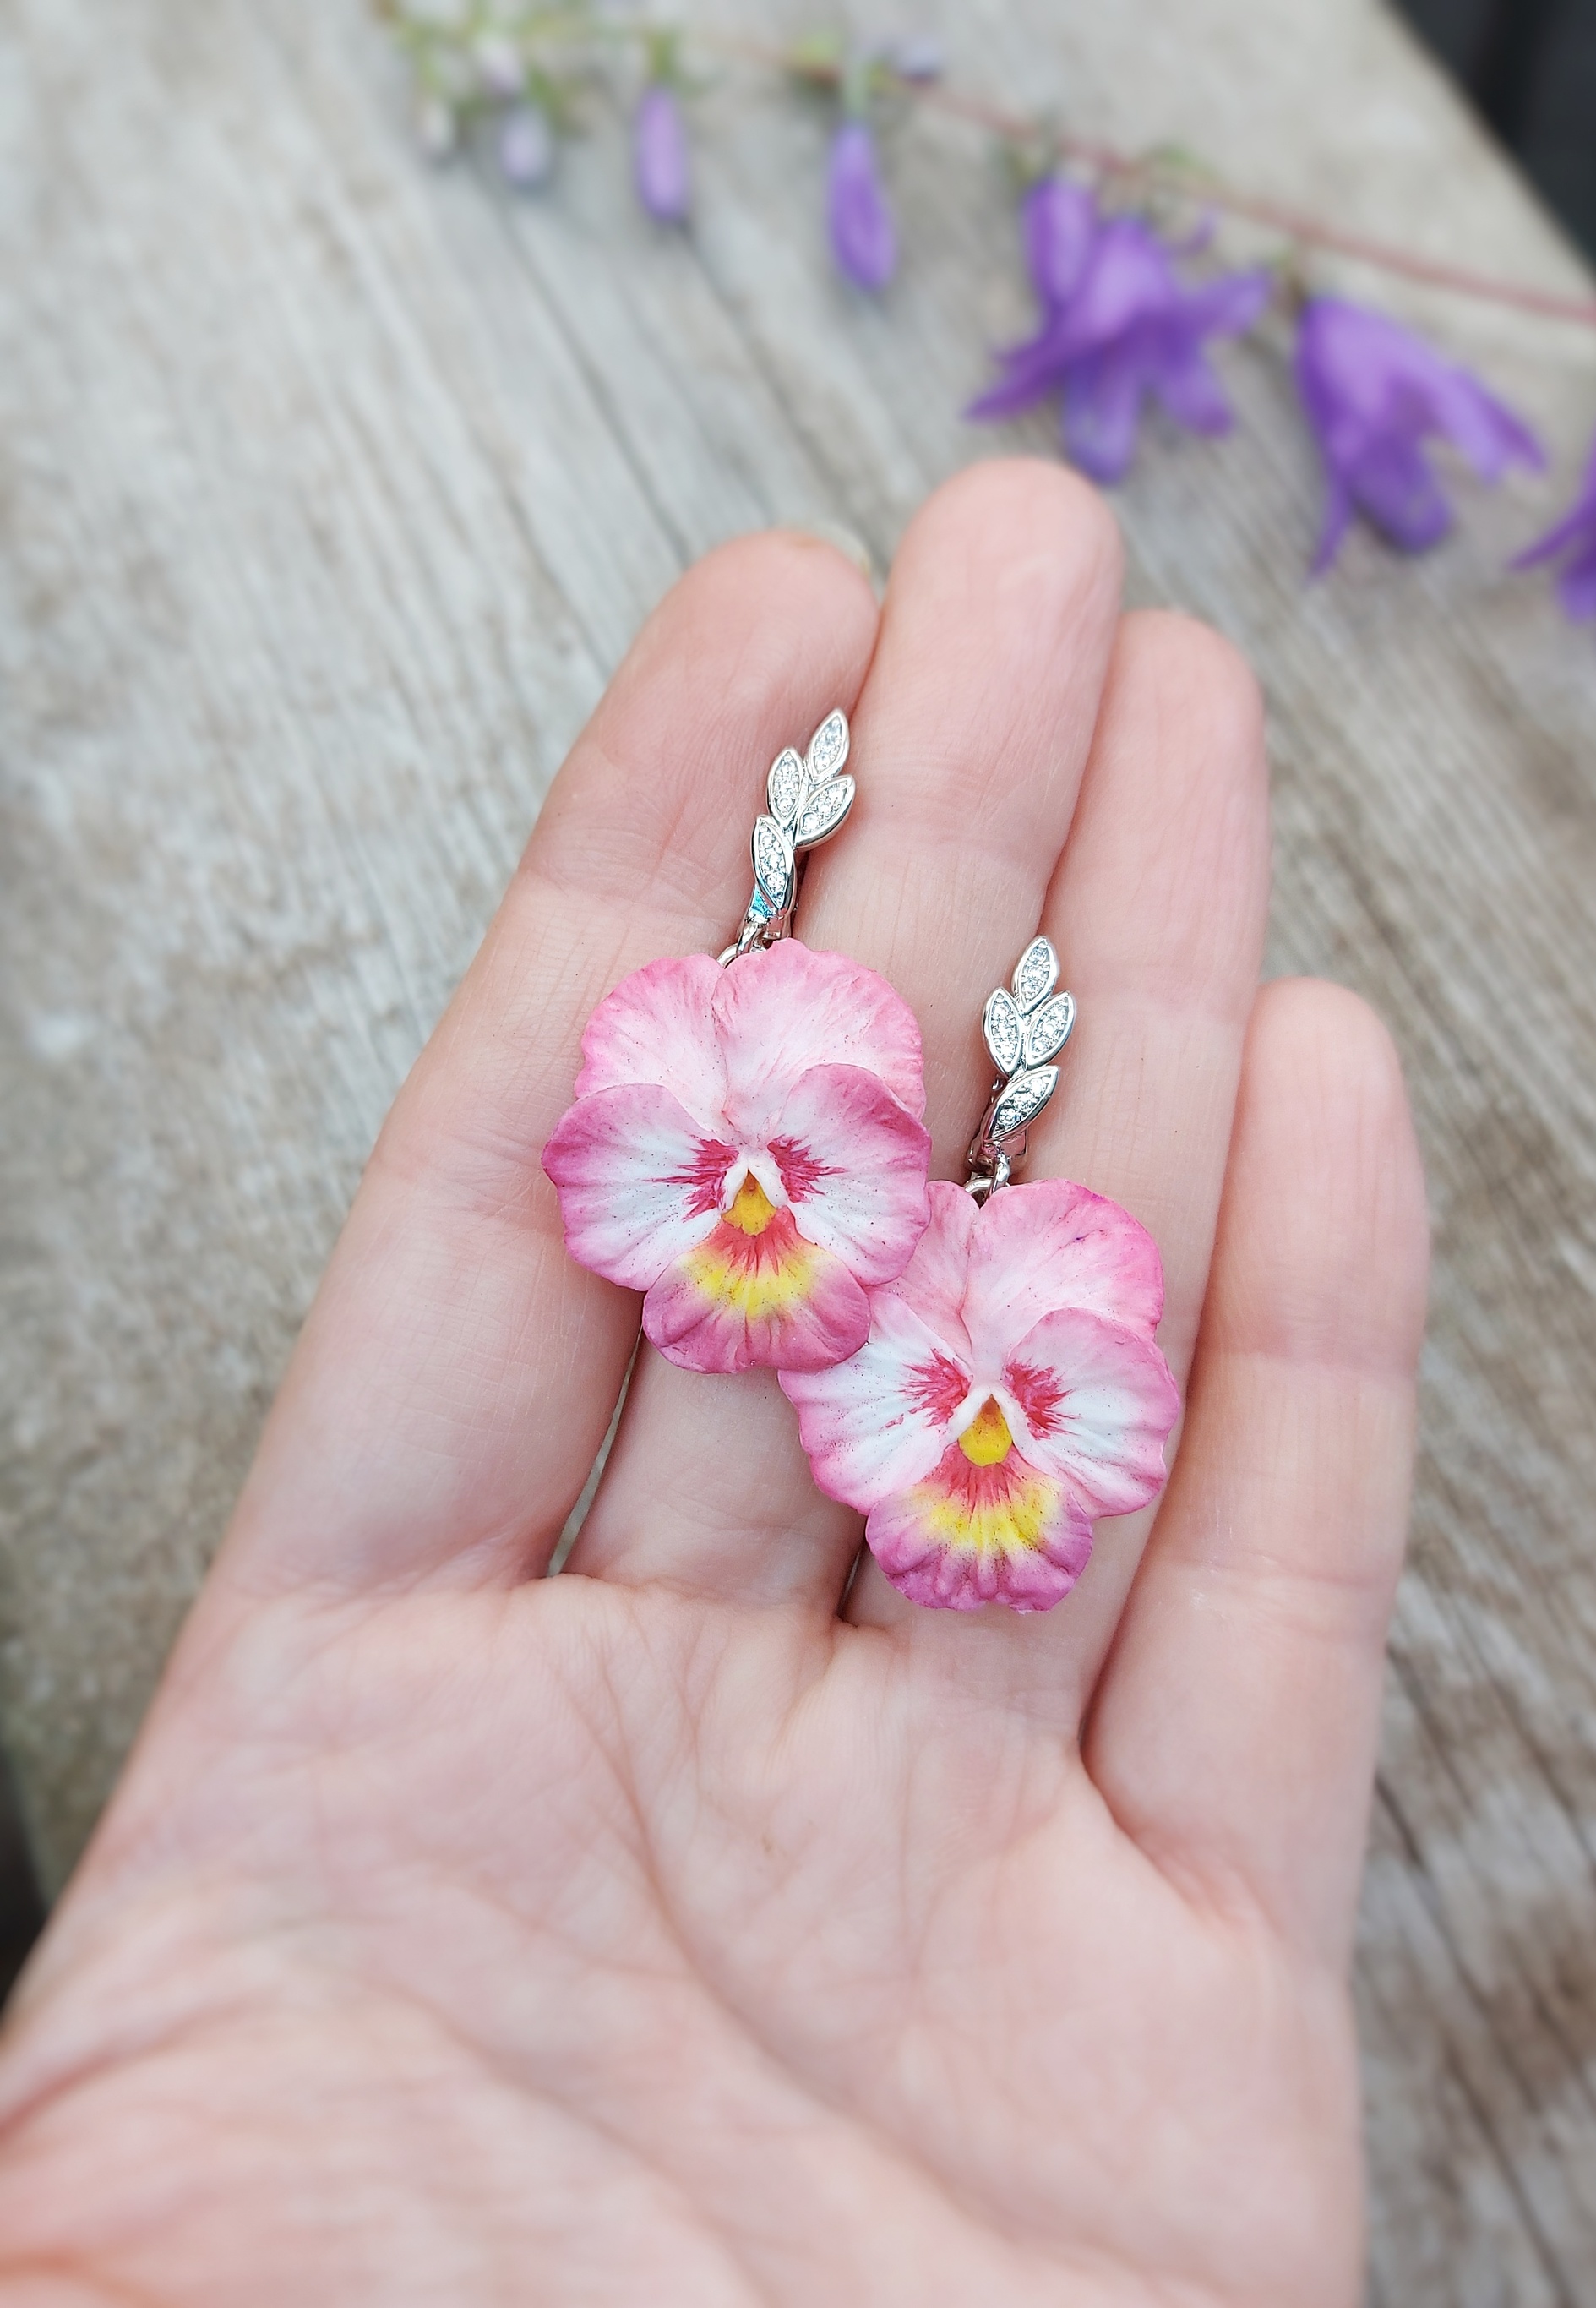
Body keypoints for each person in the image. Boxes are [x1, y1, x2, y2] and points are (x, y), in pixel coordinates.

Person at [0, 461, 1427, 2305]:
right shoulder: (794, 1219)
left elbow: (893, 1327)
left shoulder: (869, 1263)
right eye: (740, 1191)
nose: (753, 1201)